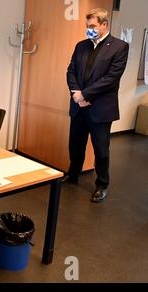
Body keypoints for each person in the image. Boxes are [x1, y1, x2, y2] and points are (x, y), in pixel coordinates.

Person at [65, 8, 129, 203]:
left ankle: (102, 184)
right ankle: (73, 174)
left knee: (101, 149)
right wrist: (77, 94)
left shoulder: (119, 47)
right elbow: (71, 71)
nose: (89, 30)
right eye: (87, 26)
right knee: (75, 144)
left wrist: (85, 94)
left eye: (92, 26)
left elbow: (111, 78)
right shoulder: (81, 45)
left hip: (100, 108)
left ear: (104, 25)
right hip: (79, 105)